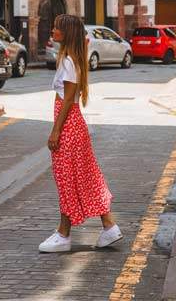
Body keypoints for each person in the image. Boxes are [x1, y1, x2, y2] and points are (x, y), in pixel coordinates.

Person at [39, 14, 123, 253]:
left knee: (67, 178)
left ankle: (64, 235)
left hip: (69, 125)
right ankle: (108, 226)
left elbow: (67, 100)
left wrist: (56, 130)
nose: (52, 31)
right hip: (74, 125)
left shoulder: (68, 61)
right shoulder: (72, 57)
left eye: (56, 28)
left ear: (67, 34)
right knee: (82, 177)